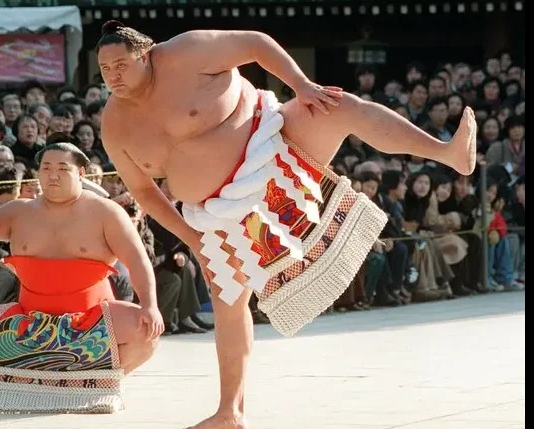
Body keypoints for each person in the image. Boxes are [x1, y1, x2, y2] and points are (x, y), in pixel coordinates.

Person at [96, 21, 477, 429]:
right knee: (229, 306)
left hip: (274, 148)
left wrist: (302, 85)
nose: (113, 75)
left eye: (121, 64)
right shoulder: (115, 125)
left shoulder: (186, 52)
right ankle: (230, 412)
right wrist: (192, 239)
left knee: (336, 105)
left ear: (146, 53)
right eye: (105, 70)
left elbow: (257, 44)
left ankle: (447, 152)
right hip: (216, 213)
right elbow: (145, 191)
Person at [0, 140, 163, 386]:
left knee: (146, 333)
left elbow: (138, 261)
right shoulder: (18, 211)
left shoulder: (106, 212)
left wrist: (150, 305)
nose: (53, 175)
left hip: (93, 317)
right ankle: (23, 379)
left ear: (81, 173)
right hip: (28, 317)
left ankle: (95, 379)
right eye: (46, 168)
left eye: (63, 169)